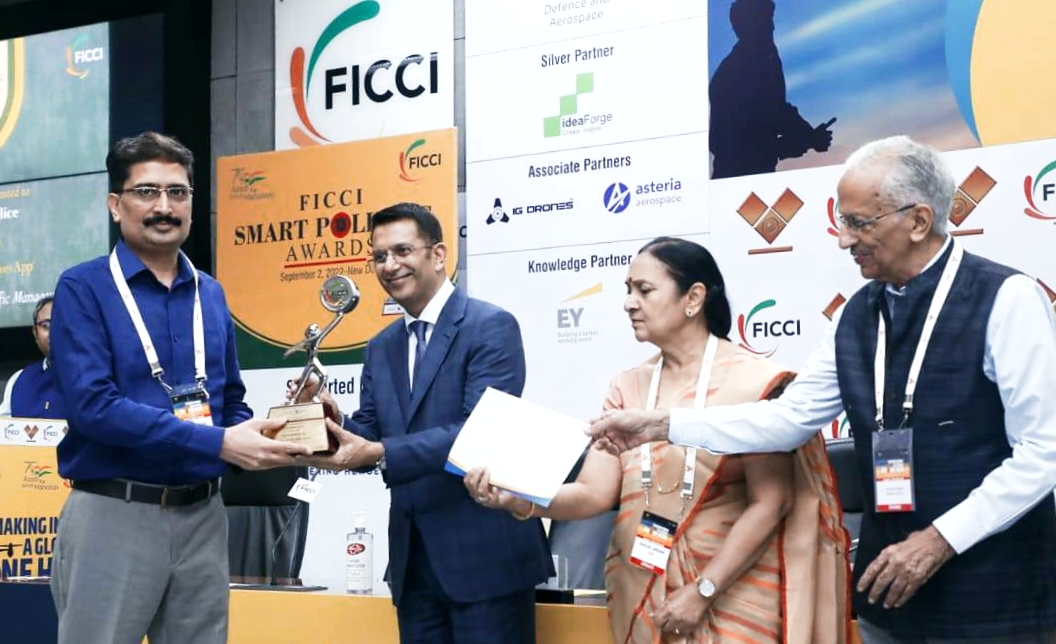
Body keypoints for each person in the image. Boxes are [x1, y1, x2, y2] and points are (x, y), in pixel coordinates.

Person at [591, 136, 1056, 643]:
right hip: (889, 593)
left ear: (919, 221)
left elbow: (1042, 452)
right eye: (842, 220)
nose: (843, 239)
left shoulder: (1006, 299)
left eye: (858, 222)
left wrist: (939, 540)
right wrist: (661, 424)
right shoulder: (856, 315)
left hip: (994, 594)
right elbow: (786, 420)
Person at [465, 237, 850, 643]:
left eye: (644, 290)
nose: (628, 303)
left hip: (734, 595)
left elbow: (772, 502)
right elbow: (593, 493)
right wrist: (521, 500)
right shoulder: (627, 386)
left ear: (693, 298)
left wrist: (703, 591)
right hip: (642, 593)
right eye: (628, 290)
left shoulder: (752, 381)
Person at [48, 132, 310, 644]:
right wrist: (220, 442)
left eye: (178, 192)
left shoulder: (210, 293)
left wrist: (270, 435)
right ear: (115, 205)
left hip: (204, 515)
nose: (164, 207)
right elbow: (94, 408)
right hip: (114, 511)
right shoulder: (84, 288)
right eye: (147, 192)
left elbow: (228, 401)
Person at [291, 202, 553, 644]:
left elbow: (480, 433)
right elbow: (371, 433)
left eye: (402, 251)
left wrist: (379, 451)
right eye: (379, 256)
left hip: (486, 559)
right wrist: (330, 418)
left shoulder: (490, 326)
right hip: (413, 563)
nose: (390, 265)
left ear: (438, 254)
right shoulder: (381, 346)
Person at [710, 0, 835, 179]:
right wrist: (802, 140)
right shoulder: (732, 74)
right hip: (737, 178)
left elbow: (777, 110)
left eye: (770, 19)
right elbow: (728, 143)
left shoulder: (766, 56)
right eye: (763, 20)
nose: (772, 27)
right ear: (745, 27)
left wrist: (809, 136)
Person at [0, 295, 66, 418]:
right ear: (35, 333)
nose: (54, 332)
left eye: (61, 324)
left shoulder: (93, 378)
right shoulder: (18, 380)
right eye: (46, 325)